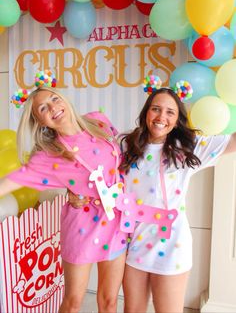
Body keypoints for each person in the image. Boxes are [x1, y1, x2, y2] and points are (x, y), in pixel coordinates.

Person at [0, 77, 127, 313]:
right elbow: (10, 182)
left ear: (64, 100)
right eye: (43, 108)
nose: (53, 108)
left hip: (115, 221)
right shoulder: (48, 155)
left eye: (54, 99)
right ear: (39, 121)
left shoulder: (99, 122)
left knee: (110, 300)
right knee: (72, 302)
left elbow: (120, 161)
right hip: (81, 226)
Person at [119, 87, 236, 313]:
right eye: (156, 109)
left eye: (170, 112)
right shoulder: (126, 146)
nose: (162, 117)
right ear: (146, 112)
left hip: (172, 245)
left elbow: (232, 141)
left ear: (177, 119)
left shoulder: (187, 147)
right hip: (134, 243)